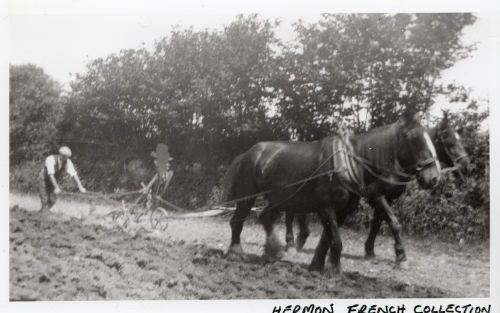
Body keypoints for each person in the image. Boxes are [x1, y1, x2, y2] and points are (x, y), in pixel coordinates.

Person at [38, 146, 86, 213]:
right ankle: (44, 212)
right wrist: (57, 187)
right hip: (44, 179)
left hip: (53, 181)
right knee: (45, 200)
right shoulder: (51, 159)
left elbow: (74, 174)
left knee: (52, 200)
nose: (67, 158)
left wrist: (80, 186)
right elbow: (51, 175)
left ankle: (43, 212)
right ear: (62, 155)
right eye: (66, 157)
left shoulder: (67, 162)